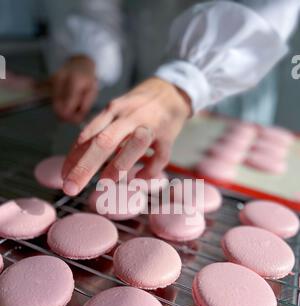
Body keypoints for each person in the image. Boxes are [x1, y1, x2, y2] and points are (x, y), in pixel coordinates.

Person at [61, 0, 300, 197]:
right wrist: (89, 52)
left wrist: (185, 82)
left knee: (218, 184)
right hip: (152, 70)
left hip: (232, 68)